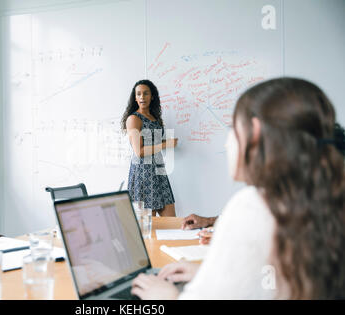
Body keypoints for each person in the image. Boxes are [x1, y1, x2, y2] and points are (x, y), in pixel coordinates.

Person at [131, 77, 345, 299]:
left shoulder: (253, 206)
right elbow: (274, 279)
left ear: (254, 133)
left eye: (232, 128)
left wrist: (166, 296)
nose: (226, 143)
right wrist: (212, 274)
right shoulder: (318, 196)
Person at [121, 79, 178, 216]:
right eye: (138, 94)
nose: (142, 97)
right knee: (149, 227)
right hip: (143, 175)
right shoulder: (133, 119)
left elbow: (151, 141)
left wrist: (166, 141)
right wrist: (166, 145)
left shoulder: (154, 117)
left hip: (159, 172)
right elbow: (139, 151)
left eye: (145, 93)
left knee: (172, 223)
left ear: (152, 96)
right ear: (135, 98)